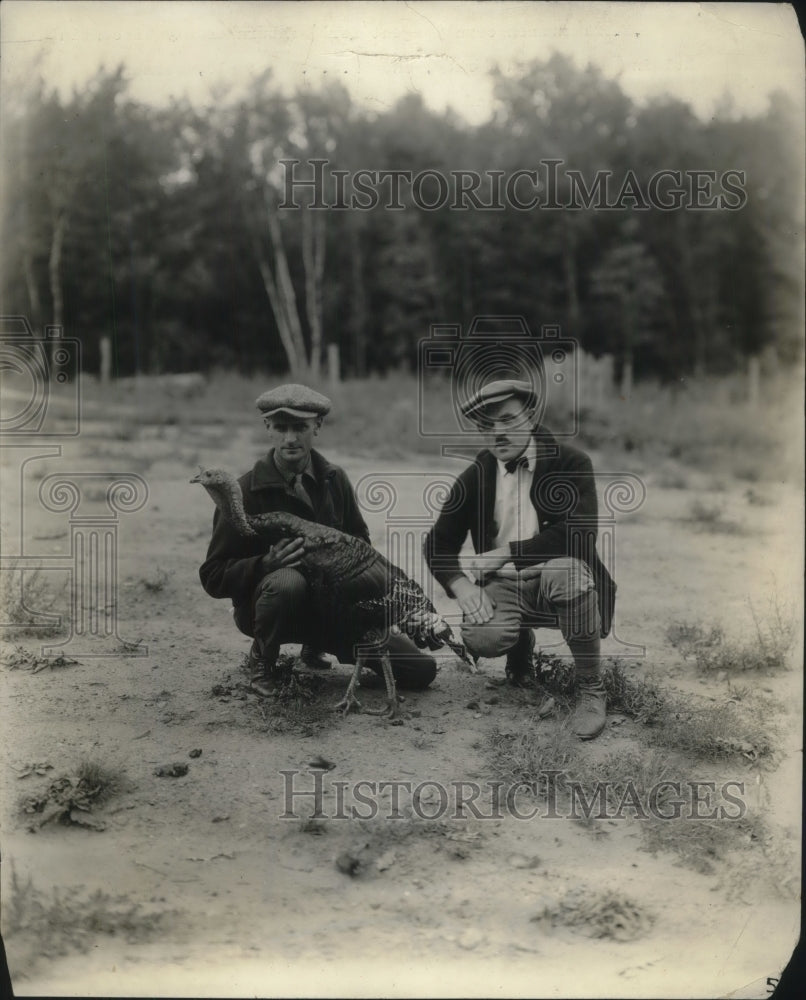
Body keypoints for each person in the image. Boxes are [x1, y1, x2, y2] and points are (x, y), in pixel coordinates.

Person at [199, 383, 437, 696]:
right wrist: (263, 564)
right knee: (287, 581)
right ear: (267, 428)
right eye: (281, 427)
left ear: (318, 427)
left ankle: (315, 647)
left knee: (420, 672)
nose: (290, 438)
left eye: (300, 427)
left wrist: (379, 608)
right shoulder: (244, 492)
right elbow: (213, 576)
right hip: (274, 611)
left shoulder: (334, 478)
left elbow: (361, 545)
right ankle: (263, 660)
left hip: (336, 614)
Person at [424, 378, 616, 739]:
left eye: (508, 420)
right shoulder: (477, 473)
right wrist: (462, 586)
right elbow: (437, 543)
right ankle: (518, 645)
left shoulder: (571, 462)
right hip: (505, 586)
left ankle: (591, 690)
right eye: (486, 425)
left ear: (530, 415)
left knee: (567, 571)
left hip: (558, 581)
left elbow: (580, 534)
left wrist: (507, 553)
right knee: (483, 638)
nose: (498, 433)